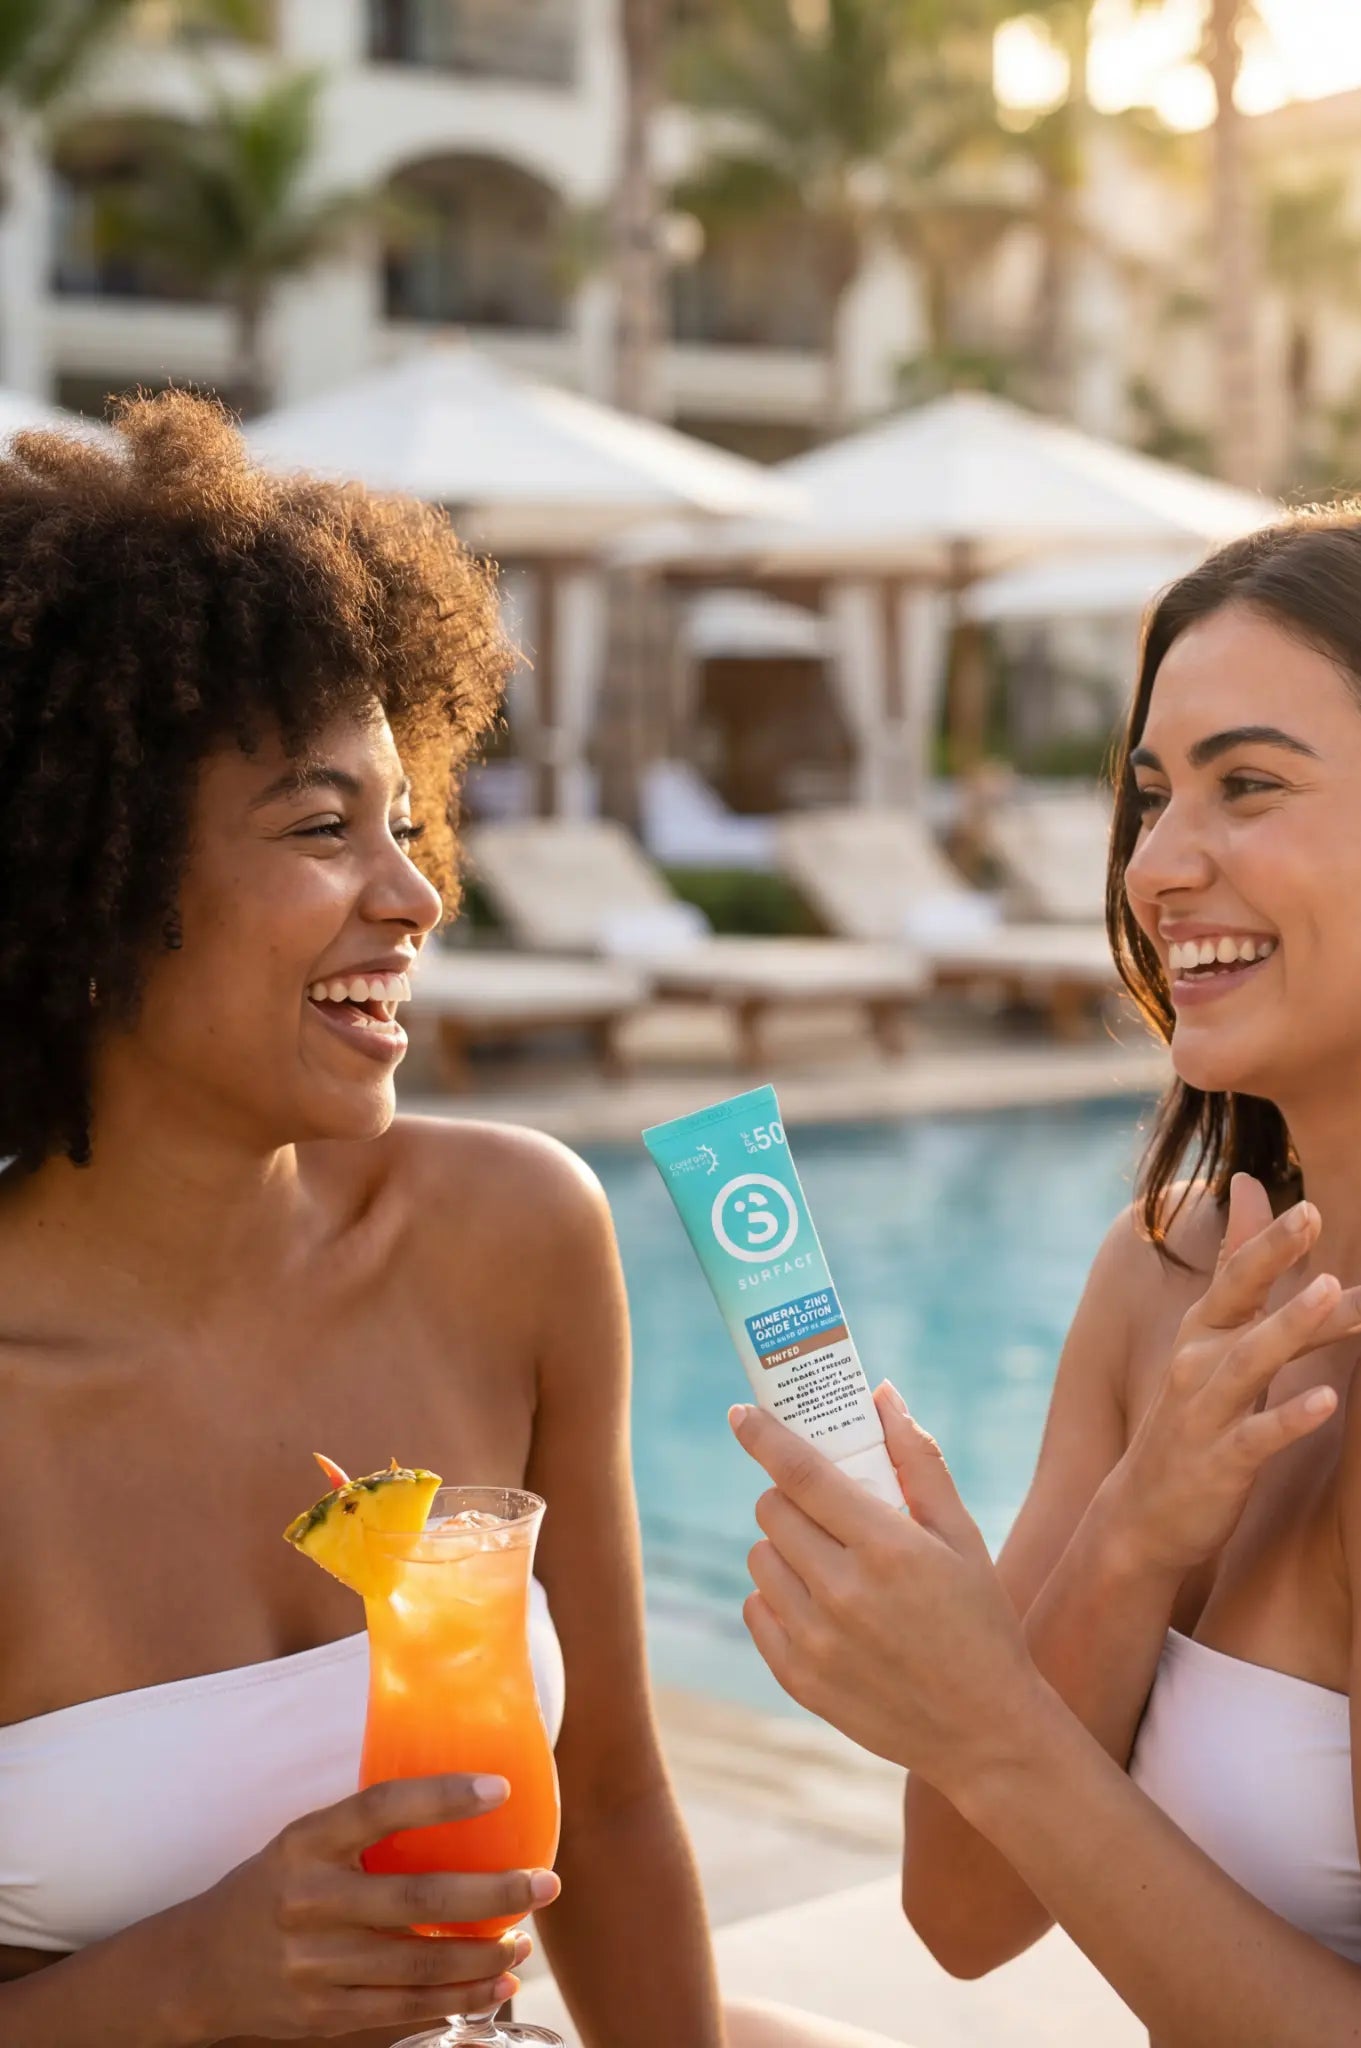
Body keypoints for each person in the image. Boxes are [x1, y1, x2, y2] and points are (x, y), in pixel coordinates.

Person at [731, 498, 1361, 2047]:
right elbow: (959, 1914)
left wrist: (990, 1717)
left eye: (1249, 787)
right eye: (1152, 796)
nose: (1159, 865)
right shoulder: (1162, 1278)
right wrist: (1131, 1534)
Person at [0, 392, 849, 2048]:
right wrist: (179, 1988)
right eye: (323, 828)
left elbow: (601, 1812)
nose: (416, 894)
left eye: (404, 818)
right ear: (80, 877)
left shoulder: (506, 1233)